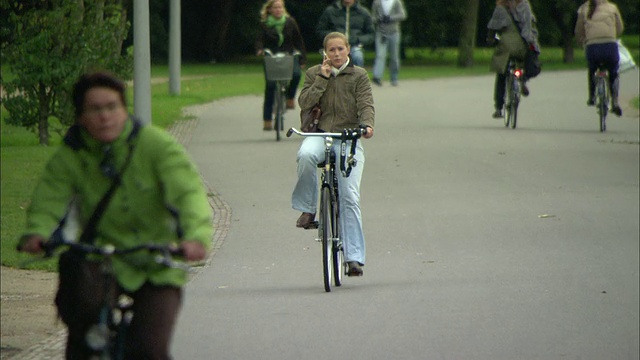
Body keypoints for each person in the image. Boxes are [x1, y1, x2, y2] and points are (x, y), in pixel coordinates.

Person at [17, 71, 213, 359]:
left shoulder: (155, 145)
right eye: (95, 109)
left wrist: (196, 237)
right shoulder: (73, 153)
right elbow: (50, 198)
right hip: (99, 258)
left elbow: (189, 193)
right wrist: (38, 232)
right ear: (81, 116)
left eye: (112, 107)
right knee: (83, 330)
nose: (105, 116)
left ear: (124, 109)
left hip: (156, 259)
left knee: (149, 348)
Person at [293, 32, 375, 277]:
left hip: (347, 139)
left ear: (348, 50)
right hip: (319, 135)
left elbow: (366, 104)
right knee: (305, 155)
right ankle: (308, 209)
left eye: (341, 49)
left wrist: (367, 125)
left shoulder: (359, 76)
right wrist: (322, 78)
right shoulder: (314, 73)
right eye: (332, 50)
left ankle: (353, 258)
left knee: (349, 195)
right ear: (325, 53)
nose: (336, 54)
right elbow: (304, 103)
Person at [256, 0, 307, 131]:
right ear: (270, 10)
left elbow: (299, 40)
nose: (278, 10)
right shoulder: (264, 24)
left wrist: (302, 59)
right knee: (271, 85)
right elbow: (259, 39)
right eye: (275, 8)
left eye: (280, 7)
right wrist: (259, 49)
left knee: (296, 74)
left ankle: (290, 97)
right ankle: (267, 119)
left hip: (288, 54)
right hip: (271, 56)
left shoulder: (290, 22)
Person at [486, 0, 540, 118]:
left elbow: (492, 27)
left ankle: (499, 108)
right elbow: (529, 27)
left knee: (501, 73)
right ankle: (523, 79)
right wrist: (530, 43)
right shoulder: (525, 5)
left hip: (507, 46)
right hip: (522, 46)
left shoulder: (500, 8)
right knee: (525, 61)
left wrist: (490, 39)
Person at [575, 0, 624, 116]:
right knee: (613, 72)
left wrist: (582, 41)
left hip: (593, 47)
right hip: (610, 46)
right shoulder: (612, 7)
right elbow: (620, 28)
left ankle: (592, 97)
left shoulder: (583, 9)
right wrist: (611, 35)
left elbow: (578, 31)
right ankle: (615, 101)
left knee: (592, 69)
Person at [316, 0, 375, 68]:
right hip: (334, 45)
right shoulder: (330, 11)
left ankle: (357, 77)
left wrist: (357, 39)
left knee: (357, 57)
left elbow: (371, 34)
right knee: (330, 57)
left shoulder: (363, 12)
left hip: (354, 46)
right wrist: (334, 37)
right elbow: (320, 31)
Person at [370, 0, 407, 86]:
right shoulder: (377, 3)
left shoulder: (397, 2)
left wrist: (390, 18)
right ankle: (377, 76)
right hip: (381, 32)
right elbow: (372, 17)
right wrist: (379, 19)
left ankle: (394, 77)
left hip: (394, 32)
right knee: (380, 55)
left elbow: (402, 15)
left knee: (394, 56)